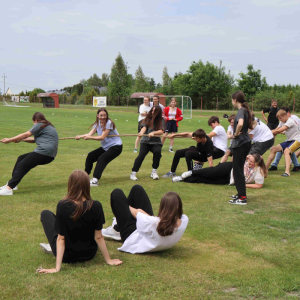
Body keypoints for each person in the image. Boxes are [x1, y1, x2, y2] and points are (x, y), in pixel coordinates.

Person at [38, 170, 122, 274]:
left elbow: (61, 238)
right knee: (55, 219)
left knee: (45, 214)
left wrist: (57, 268)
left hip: (67, 256)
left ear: (70, 185)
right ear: (87, 185)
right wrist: (108, 260)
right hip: (89, 253)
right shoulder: (96, 206)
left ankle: (52, 247)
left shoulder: (63, 205)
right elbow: (98, 237)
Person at [102, 184, 188, 254]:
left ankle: (118, 230)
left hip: (131, 236)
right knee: (137, 189)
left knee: (117, 194)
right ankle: (118, 227)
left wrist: (122, 206)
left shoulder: (154, 223)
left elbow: (136, 212)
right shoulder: (184, 221)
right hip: (151, 232)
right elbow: (146, 217)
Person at [0, 112, 58, 196]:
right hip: (49, 155)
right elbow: (33, 139)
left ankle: (9, 188)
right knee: (21, 158)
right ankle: (13, 184)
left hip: (44, 152)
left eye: (33, 122)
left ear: (35, 120)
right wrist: (20, 139)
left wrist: (9, 140)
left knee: (22, 165)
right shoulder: (47, 126)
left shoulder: (39, 124)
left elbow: (26, 134)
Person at [76, 108, 123, 187]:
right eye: (101, 115)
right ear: (97, 116)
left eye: (105, 115)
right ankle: (85, 176)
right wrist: (80, 136)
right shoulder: (97, 124)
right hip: (106, 147)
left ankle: (95, 180)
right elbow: (89, 134)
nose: (103, 117)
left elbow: (102, 137)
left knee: (102, 158)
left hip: (116, 147)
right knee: (91, 155)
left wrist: (89, 138)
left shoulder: (109, 123)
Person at [172, 154, 267, 191]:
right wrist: (247, 157)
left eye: (251, 162)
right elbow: (242, 156)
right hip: (230, 168)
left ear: (257, 163)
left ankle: (183, 179)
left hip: (229, 180)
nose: (249, 163)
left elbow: (259, 185)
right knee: (210, 172)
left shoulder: (259, 171)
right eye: (249, 160)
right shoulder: (246, 160)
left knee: (206, 180)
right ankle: (191, 172)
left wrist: (243, 185)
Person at [228, 91, 252, 205]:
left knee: (237, 170)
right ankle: (240, 193)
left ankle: (242, 198)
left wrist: (236, 134)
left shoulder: (241, 110)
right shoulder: (245, 110)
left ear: (235, 100)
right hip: (245, 143)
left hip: (241, 144)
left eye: (232, 100)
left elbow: (241, 124)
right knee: (238, 169)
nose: (232, 102)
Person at [130, 105, 164, 181]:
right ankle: (133, 173)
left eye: (154, 111)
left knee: (158, 152)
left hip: (156, 142)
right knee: (141, 155)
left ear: (158, 112)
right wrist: (141, 132)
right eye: (152, 110)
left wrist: (154, 133)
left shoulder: (161, 120)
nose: (152, 112)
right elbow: (144, 127)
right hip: (145, 142)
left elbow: (161, 131)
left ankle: (154, 171)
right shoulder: (147, 118)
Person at [265, 109, 300, 177]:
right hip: (290, 140)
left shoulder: (290, 121)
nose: (279, 119)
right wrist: (269, 132)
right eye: (278, 118)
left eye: (280, 118)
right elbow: (276, 129)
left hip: (297, 140)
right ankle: (265, 169)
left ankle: (287, 172)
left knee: (286, 151)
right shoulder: (282, 121)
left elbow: (279, 131)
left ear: (284, 115)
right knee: (273, 149)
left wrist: (266, 132)